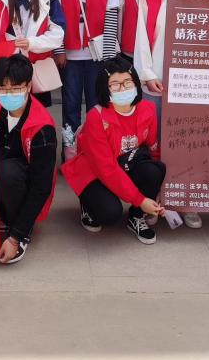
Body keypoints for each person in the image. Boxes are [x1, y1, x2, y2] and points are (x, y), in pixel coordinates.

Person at [133, 0, 209, 228]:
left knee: (188, 142)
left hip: (190, 82)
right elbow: (141, 36)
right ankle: (153, 202)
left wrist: (196, 7)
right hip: (156, 79)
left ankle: (187, 201)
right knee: (154, 142)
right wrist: (147, 75)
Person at [62, 56, 165, 244]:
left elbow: (153, 148)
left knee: (155, 170)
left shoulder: (147, 109)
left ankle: (136, 217)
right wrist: (140, 199)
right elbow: (106, 168)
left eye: (128, 82)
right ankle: (87, 204)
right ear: (105, 88)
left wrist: (160, 190)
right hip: (96, 170)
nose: (123, 89)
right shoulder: (96, 117)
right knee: (109, 214)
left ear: (136, 83)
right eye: (115, 84)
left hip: (127, 162)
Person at [52, 0, 120, 135]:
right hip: (70, 55)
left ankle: (92, 147)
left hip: (97, 54)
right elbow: (55, 14)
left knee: (96, 105)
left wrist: (107, 56)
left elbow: (112, 12)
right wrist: (59, 50)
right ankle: (70, 148)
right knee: (70, 104)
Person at [0, 54, 57, 265]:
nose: (7, 94)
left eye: (15, 88)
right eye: (2, 88)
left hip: (21, 183)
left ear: (28, 86)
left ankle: (20, 228)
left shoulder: (42, 128)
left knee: (7, 172)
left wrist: (15, 237)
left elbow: (41, 187)